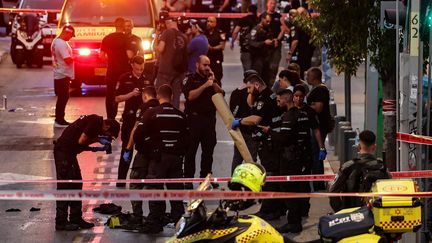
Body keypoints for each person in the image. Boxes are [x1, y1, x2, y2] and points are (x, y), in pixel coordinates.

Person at [272, 85, 325, 233]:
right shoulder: (289, 112)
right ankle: (295, 216)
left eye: (301, 96)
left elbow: (315, 130)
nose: (298, 98)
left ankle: (299, 215)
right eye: (296, 96)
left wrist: (321, 148)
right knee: (295, 187)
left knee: (297, 186)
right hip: (297, 155)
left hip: (299, 155)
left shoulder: (305, 112)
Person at [231, 72, 283, 220]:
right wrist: (251, 94)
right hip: (270, 140)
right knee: (272, 175)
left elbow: (255, 119)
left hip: (270, 143)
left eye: (249, 88)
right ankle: (273, 209)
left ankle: (269, 210)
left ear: (257, 85)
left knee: (271, 177)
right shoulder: (265, 96)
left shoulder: (265, 98)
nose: (248, 91)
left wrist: (239, 121)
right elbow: (249, 104)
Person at [53, 115, 120, 230]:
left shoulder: (94, 122)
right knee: (65, 187)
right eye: (109, 135)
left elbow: (79, 142)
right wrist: (97, 140)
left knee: (76, 185)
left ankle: (75, 218)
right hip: (63, 153)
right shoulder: (95, 122)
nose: (107, 137)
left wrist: (95, 146)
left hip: (69, 153)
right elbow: (82, 140)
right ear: (107, 126)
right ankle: (61, 222)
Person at [138, 85, 189, 234]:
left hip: (158, 159)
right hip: (176, 159)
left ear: (158, 97)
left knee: (155, 191)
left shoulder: (151, 113)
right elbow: (188, 139)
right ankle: (180, 224)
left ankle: (155, 223)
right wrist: (179, 153)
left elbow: (138, 136)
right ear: (172, 97)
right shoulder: (180, 115)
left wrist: (149, 152)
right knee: (176, 192)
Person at [182, 55, 224, 189]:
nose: (207, 67)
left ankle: (205, 179)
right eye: (204, 65)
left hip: (209, 120)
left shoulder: (212, 79)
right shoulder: (190, 79)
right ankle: (188, 179)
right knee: (190, 151)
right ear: (197, 65)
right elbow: (190, 96)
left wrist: (213, 81)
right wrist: (205, 85)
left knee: (208, 151)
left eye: (208, 65)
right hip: (194, 120)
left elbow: (221, 94)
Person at [114, 55, 153, 188]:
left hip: (144, 119)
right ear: (132, 66)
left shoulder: (148, 78)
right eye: (137, 69)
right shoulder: (124, 79)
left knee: (145, 149)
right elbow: (117, 98)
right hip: (129, 119)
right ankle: (121, 179)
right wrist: (131, 94)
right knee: (127, 149)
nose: (139, 71)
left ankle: (144, 178)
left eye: (141, 69)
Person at [124, 87, 160, 228]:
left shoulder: (144, 107)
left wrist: (128, 148)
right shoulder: (160, 107)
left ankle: (137, 216)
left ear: (145, 96)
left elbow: (136, 128)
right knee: (154, 186)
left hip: (144, 152)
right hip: (157, 153)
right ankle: (154, 217)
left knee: (135, 182)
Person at [329, 130, 391, 212]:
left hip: (353, 215)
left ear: (358, 147)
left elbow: (333, 191)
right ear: (374, 147)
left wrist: (341, 211)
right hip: (377, 215)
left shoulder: (348, 167)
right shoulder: (382, 167)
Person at [100, 17, 134, 119]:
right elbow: (129, 55)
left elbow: (101, 55)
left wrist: (109, 62)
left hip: (111, 70)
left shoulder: (107, 38)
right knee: (129, 93)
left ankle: (111, 117)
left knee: (110, 94)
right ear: (123, 26)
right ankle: (127, 115)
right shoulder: (126, 38)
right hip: (124, 71)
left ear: (115, 26)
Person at [306, 67, 333, 191]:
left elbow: (318, 108)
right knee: (314, 153)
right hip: (316, 125)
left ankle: (318, 184)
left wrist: (306, 107)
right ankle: (316, 182)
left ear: (314, 77)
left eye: (309, 76)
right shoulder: (316, 89)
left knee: (317, 154)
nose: (306, 78)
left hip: (319, 126)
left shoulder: (321, 90)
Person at [229, 71, 260, 173]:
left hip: (239, 131)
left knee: (237, 159)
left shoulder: (234, 93)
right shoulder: (254, 92)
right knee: (251, 161)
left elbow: (232, 112)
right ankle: (249, 183)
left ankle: (234, 182)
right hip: (251, 132)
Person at [155, 16, 188, 109]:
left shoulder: (167, 32)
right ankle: (174, 117)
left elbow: (160, 49)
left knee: (161, 96)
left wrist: (157, 38)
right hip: (178, 73)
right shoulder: (184, 36)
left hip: (165, 71)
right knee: (175, 98)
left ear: (168, 23)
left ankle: (162, 116)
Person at [51, 25, 75, 127]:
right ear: (66, 33)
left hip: (60, 72)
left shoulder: (56, 41)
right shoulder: (61, 44)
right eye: (70, 35)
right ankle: (60, 119)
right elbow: (67, 59)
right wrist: (78, 57)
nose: (71, 38)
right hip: (63, 74)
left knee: (63, 97)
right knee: (63, 97)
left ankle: (59, 118)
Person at [260, 0, 286, 85]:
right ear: (267, 4)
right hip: (265, 46)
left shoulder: (279, 16)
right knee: (264, 66)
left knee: (274, 66)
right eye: (271, 3)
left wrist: (277, 40)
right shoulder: (262, 15)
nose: (273, 5)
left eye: (274, 4)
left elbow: (283, 30)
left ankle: (271, 85)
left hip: (276, 46)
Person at [286, 8, 314, 79]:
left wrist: (290, 53)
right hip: (307, 54)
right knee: (305, 73)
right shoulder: (308, 26)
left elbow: (295, 41)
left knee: (295, 74)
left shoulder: (295, 26)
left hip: (298, 55)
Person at [231, 4, 258, 72]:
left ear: (247, 10)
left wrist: (232, 42)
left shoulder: (243, 20)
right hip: (258, 49)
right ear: (256, 11)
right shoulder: (259, 19)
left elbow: (235, 32)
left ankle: (249, 82)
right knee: (257, 72)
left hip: (245, 49)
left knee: (248, 71)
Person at [249, 13, 274, 85]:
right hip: (257, 58)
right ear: (262, 19)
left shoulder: (268, 29)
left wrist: (272, 42)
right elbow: (252, 43)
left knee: (266, 79)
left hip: (266, 57)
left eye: (269, 21)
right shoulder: (255, 30)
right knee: (257, 78)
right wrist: (264, 43)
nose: (268, 23)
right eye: (267, 21)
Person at [205, 17, 226, 84]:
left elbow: (222, 46)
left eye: (211, 22)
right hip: (206, 60)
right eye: (208, 21)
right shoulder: (204, 33)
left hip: (216, 59)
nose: (208, 23)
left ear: (215, 23)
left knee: (217, 77)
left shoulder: (220, 33)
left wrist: (212, 48)